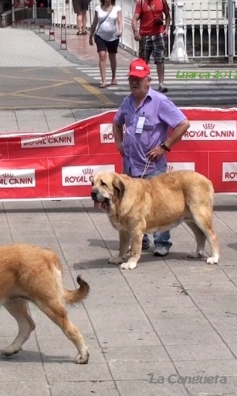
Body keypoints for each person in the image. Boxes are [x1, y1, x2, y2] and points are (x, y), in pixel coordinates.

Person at [112, 58, 190, 256]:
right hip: (130, 166)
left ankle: (162, 243)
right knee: (131, 205)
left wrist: (165, 146)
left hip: (152, 166)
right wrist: (119, 143)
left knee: (160, 205)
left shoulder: (160, 102)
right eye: (131, 78)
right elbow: (116, 122)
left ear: (148, 79)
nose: (134, 82)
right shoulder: (127, 102)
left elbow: (183, 124)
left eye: (138, 78)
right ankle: (141, 240)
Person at [132, 0, 171, 93]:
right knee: (143, 60)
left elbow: (168, 15)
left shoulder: (162, 1)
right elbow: (134, 19)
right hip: (145, 35)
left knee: (160, 59)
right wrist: (135, 31)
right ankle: (143, 82)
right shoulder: (141, 2)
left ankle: (161, 83)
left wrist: (166, 28)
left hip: (158, 34)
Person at [89, 0, 122, 88]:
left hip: (113, 37)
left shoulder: (117, 9)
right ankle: (103, 80)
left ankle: (113, 77)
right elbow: (95, 22)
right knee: (102, 55)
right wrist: (90, 35)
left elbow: (120, 21)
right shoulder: (98, 9)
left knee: (112, 57)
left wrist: (120, 30)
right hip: (100, 36)